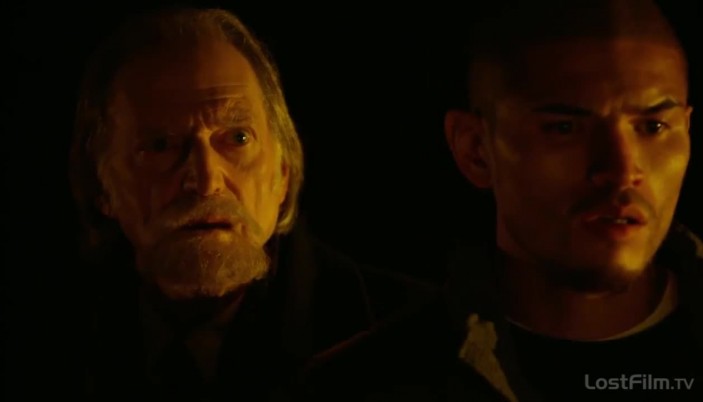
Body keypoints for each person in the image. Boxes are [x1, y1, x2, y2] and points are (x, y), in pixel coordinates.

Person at [320, 1, 703, 401]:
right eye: (564, 128)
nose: (622, 169)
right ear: (475, 149)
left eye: (653, 126)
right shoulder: (359, 387)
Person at [67, 7, 431, 401]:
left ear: (283, 172)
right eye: (160, 145)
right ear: (101, 184)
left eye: (238, 138)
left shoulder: (416, 341)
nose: (207, 182)